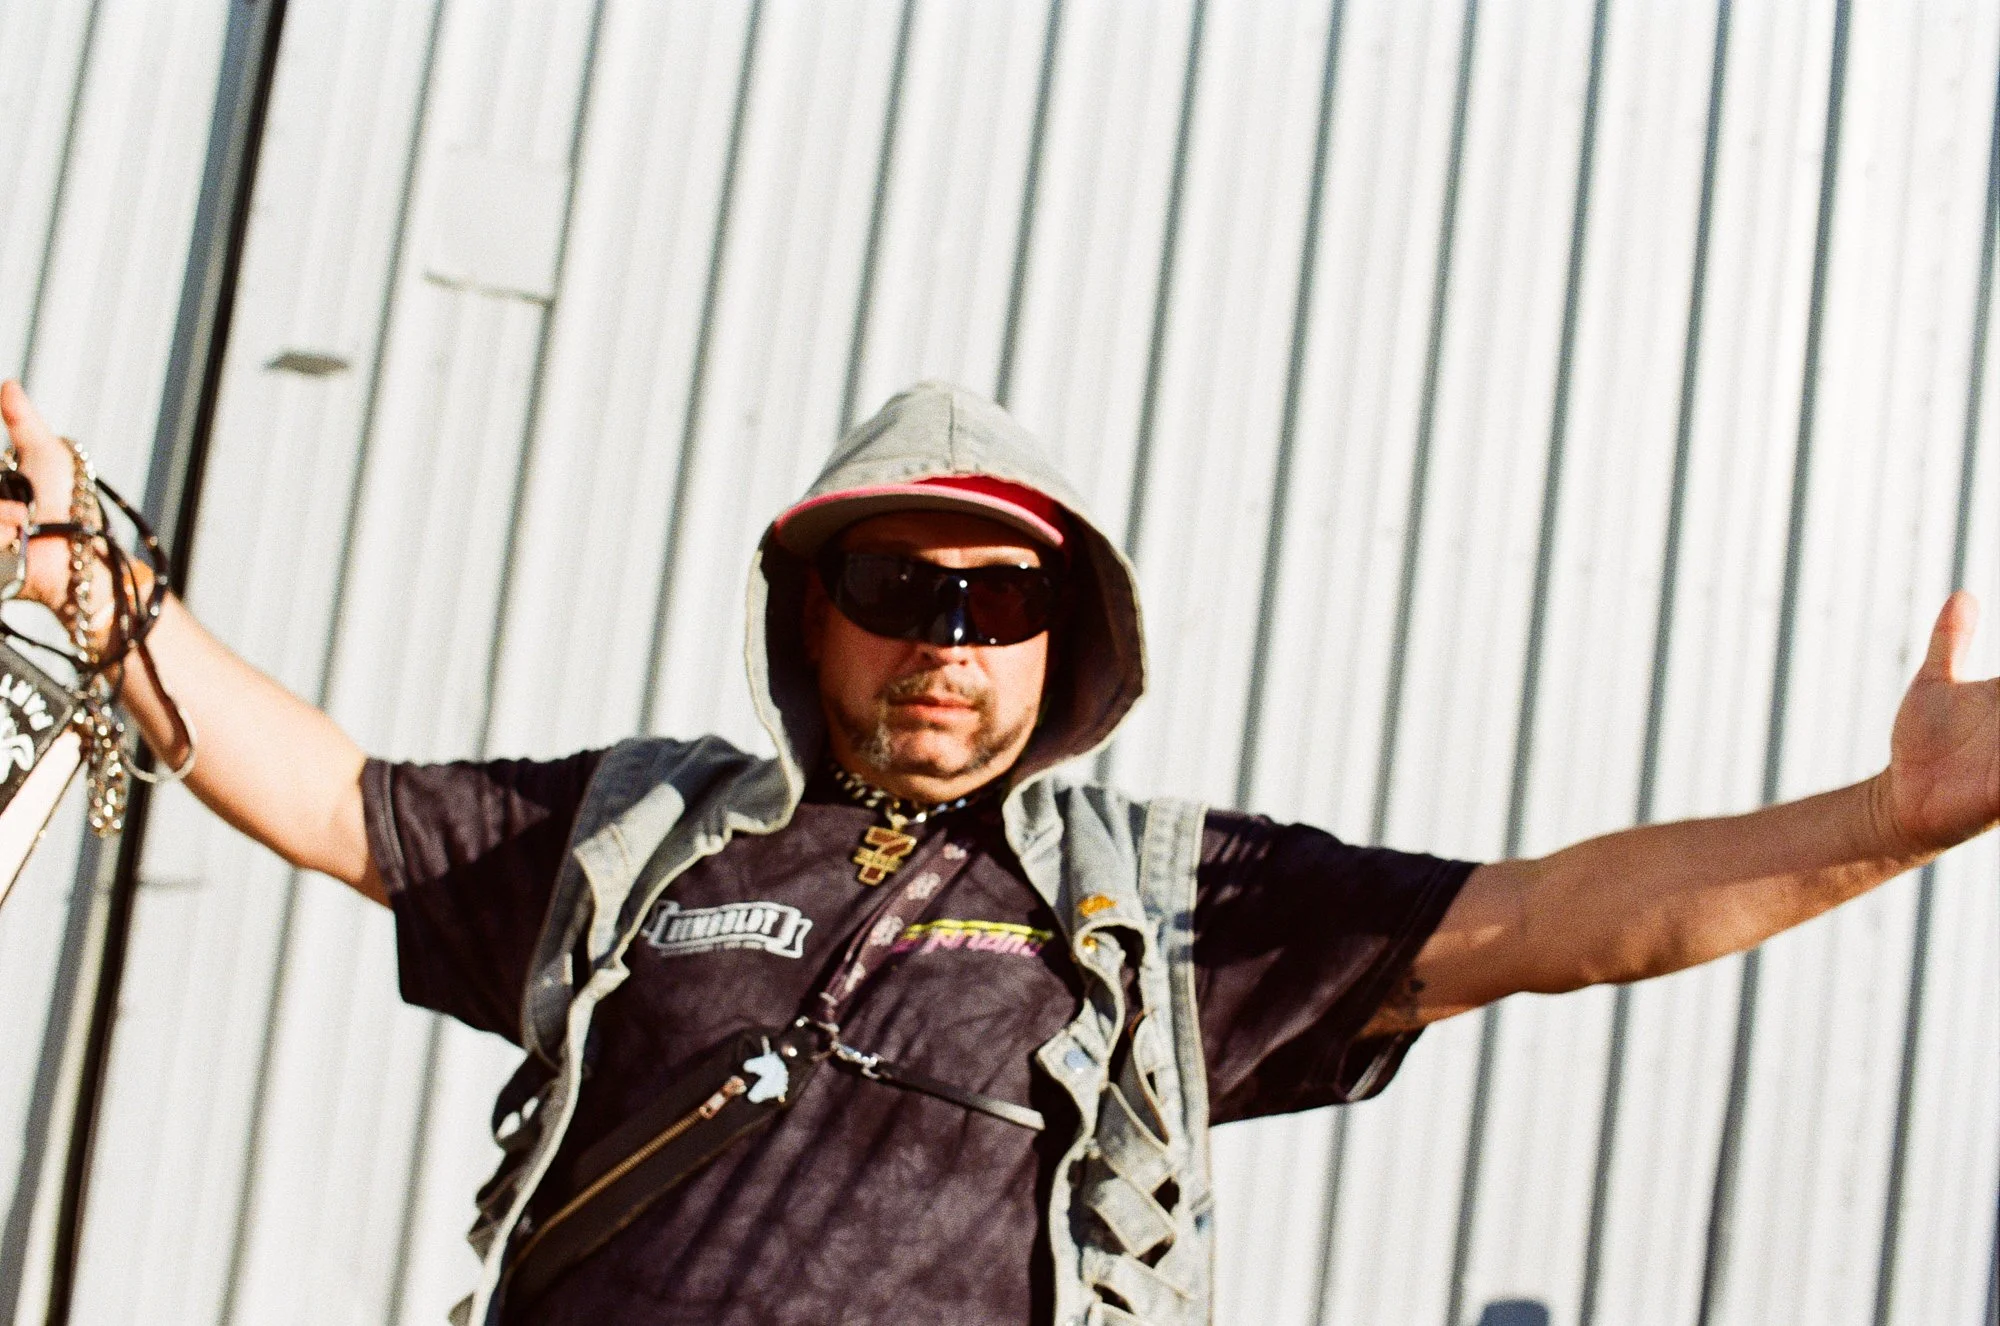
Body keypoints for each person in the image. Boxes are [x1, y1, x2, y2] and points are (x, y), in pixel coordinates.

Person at [1, 376, 1994, 1326]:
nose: (947, 642)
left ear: (1066, 640)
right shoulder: (643, 831)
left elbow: (1553, 919)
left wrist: (1884, 822)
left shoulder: (1166, 898)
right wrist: (96, 585)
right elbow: (337, 798)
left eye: (999, 600)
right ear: (813, 615)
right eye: (901, 586)